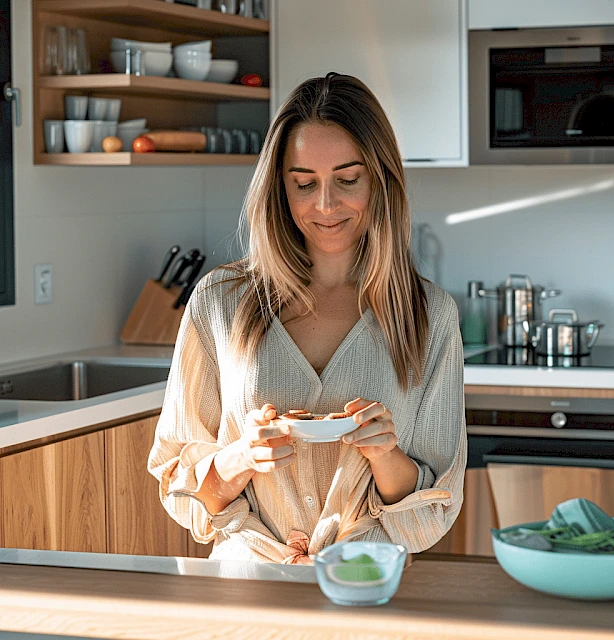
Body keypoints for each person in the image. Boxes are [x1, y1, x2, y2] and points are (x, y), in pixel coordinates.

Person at [148, 72, 466, 564]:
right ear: (280, 188)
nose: (325, 205)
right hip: (247, 586)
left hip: (364, 582)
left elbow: (432, 511)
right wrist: (242, 456)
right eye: (304, 183)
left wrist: (385, 455)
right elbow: (182, 492)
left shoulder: (429, 317)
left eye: (347, 179)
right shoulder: (219, 301)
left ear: (379, 179)